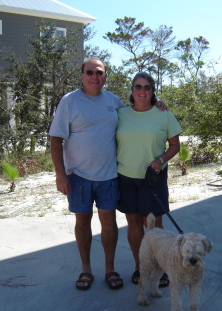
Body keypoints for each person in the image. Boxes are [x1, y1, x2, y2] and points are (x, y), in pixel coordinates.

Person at [49, 57, 125, 291]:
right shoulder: (69, 101)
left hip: (109, 175)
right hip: (78, 176)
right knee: (82, 221)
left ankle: (110, 269)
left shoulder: (114, 101)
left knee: (109, 222)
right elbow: (55, 139)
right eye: (90, 72)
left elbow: (135, 118)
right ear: (81, 75)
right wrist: (60, 175)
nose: (95, 77)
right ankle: (86, 269)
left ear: (105, 76)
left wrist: (157, 105)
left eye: (99, 72)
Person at [116, 72, 183, 286]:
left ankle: (161, 268)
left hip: (152, 177)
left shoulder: (164, 115)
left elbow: (175, 146)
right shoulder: (121, 114)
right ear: (132, 90)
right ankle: (140, 267)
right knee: (134, 223)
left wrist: (160, 160)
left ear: (153, 91)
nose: (142, 91)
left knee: (153, 224)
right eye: (138, 87)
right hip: (125, 176)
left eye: (147, 87)